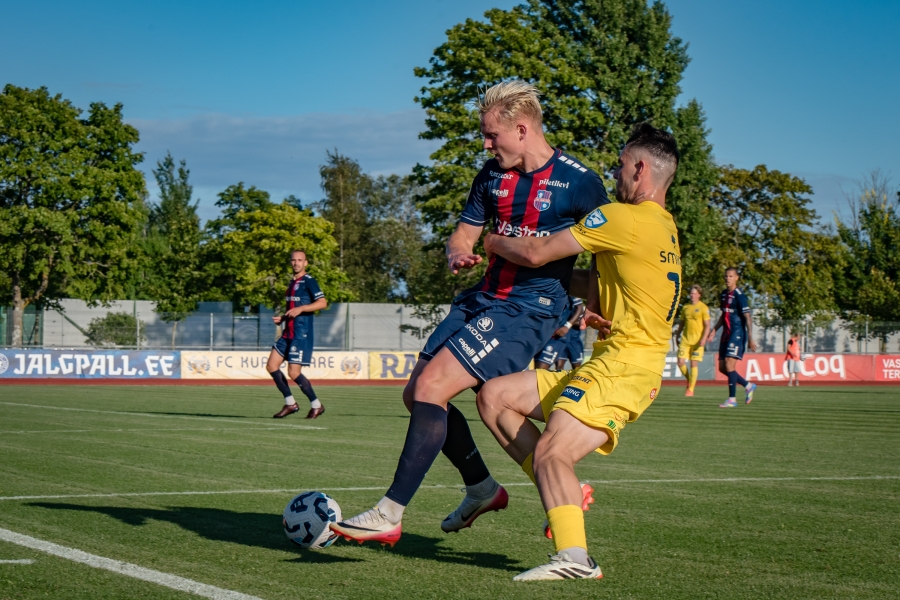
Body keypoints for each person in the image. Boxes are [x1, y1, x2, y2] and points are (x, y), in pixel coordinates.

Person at [331, 80, 609, 547]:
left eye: (490, 135)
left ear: (521, 130)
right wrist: (457, 252)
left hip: (528, 310)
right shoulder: (491, 176)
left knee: (434, 387)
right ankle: (483, 487)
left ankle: (389, 513)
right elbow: (463, 233)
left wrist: (597, 306)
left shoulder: (580, 183)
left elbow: (608, 252)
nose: (485, 144)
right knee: (417, 395)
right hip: (481, 299)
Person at [477, 123, 682, 581]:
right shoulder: (663, 227)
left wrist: (491, 241)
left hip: (624, 368)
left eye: (621, 164)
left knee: (552, 452)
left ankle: (575, 558)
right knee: (495, 397)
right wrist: (589, 298)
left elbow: (536, 253)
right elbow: (607, 279)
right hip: (616, 363)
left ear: (640, 169)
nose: (615, 172)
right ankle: (565, 494)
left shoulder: (622, 218)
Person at [268, 250, 328, 419]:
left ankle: (316, 405)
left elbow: (322, 303)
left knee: (293, 373)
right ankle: (290, 404)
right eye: (293, 260)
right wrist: (283, 318)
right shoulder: (291, 283)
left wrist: (301, 308)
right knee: (272, 366)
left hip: (301, 334)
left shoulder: (309, 281)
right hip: (288, 332)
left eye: (300, 260)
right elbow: (293, 309)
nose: (296, 263)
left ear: (305, 263)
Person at [707, 268, 757, 408]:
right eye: (726, 276)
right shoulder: (724, 294)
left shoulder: (740, 296)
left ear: (736, 278)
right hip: (726, 334)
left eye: (730, 276)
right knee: (723, 368)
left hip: (737, 333)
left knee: (729, 364)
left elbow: (747, 317)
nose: (727, 279)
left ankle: (732, 399)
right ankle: (748, 385)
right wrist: (714, 330)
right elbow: (724, 315)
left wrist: (750, 338)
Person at [673, 285, 710, 396]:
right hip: (685, 340)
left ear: (699, 295)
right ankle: (690, 380)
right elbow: (682, 323)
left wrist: (704, 338)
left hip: (697, 341)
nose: (692, 295)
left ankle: (690, 390)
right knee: (680, 362)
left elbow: (707, 325)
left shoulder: (703, 308)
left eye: (694, 293)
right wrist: (677, 335)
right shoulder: (685, 307)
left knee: (693, 364)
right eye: (691, 293)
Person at [534, 296, 586, 371]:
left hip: (566, 337)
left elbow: (579, 309)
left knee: (576, 367)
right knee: (558, 367)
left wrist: (567, 325)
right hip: (547, 336)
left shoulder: (570, 294)